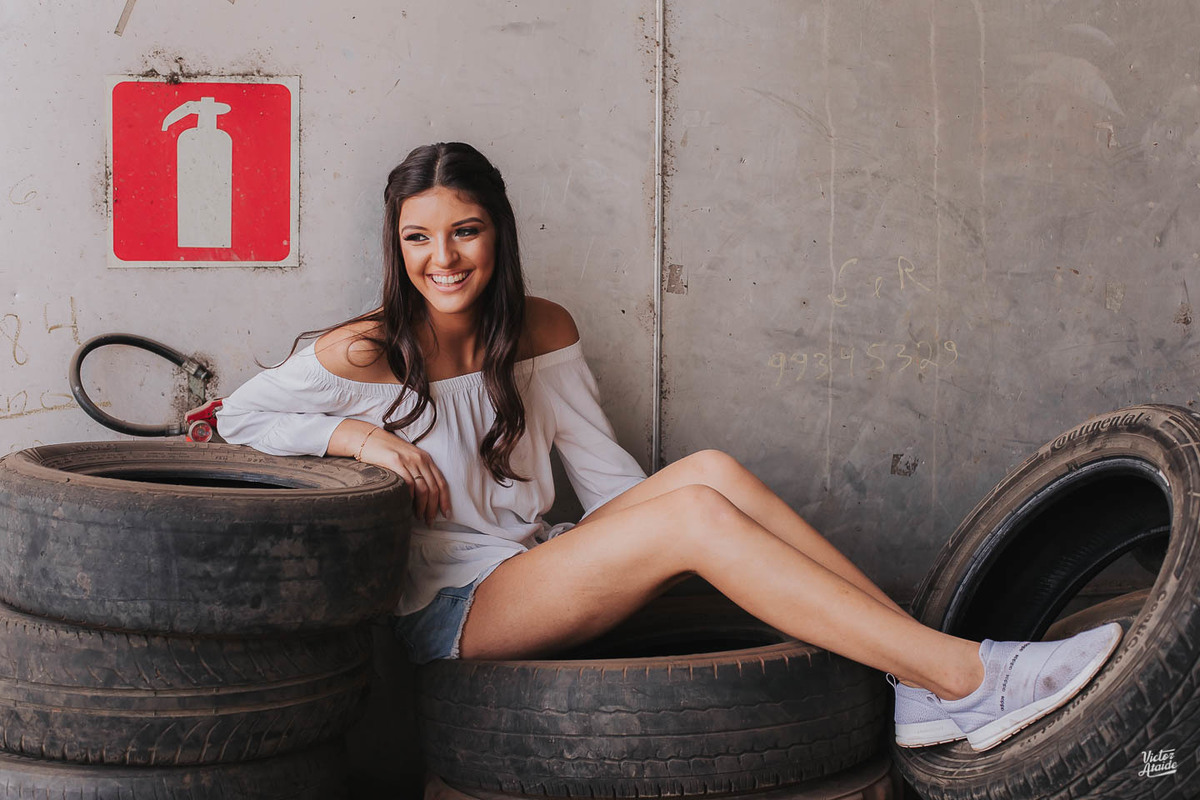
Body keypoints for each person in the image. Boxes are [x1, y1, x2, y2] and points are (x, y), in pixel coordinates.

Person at [216, 141, 1122, 753]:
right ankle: (964, 675)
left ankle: (918, 668)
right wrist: (354, 433)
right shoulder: (365, 350)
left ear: (499, 233)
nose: (442, 259)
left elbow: (610, 485)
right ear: (396, 244)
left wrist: (665, 543)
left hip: (534, 566)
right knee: (691, 513)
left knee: (708, 477)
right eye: (418, 237)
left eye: (465, 231)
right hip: (452, 610)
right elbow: (234, 421)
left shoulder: (540, 328)